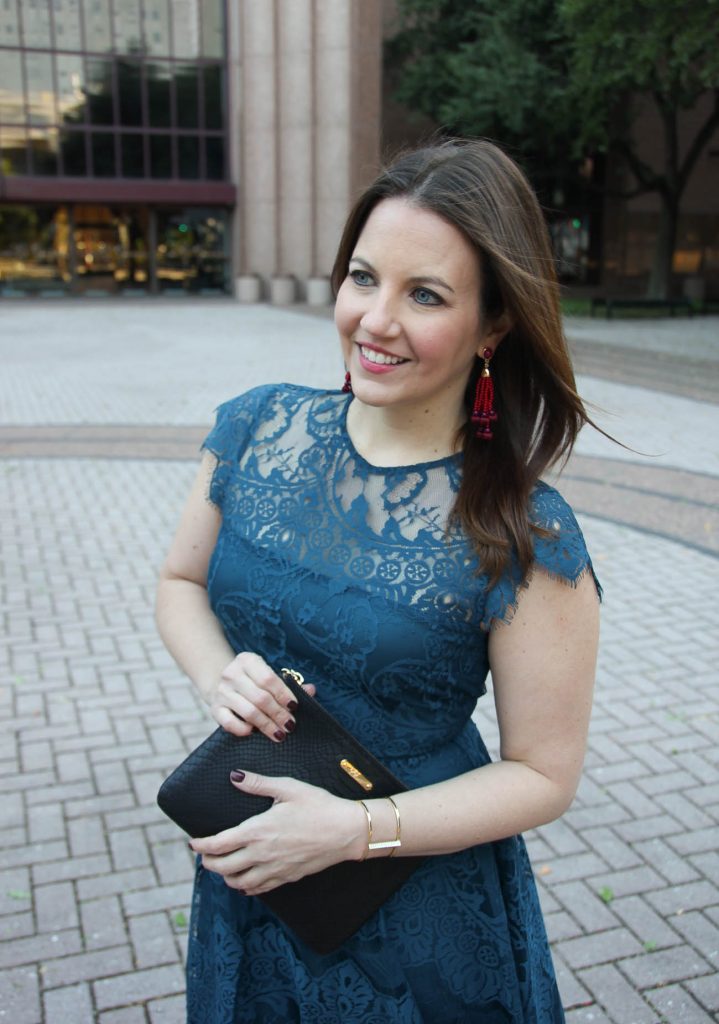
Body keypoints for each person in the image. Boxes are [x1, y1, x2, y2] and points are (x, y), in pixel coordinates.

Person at [156, 138, 600, 1024]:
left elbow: (544, 776)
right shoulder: (255, 427)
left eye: (424, 294)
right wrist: (218, 673)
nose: (374, 320)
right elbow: (179, 581)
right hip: (256, 868)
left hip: (415, 904)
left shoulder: (524, 528)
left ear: (494, 325)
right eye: (362, 278)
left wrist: (351, 832)